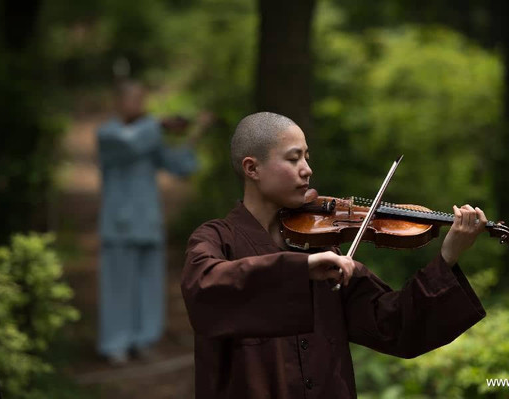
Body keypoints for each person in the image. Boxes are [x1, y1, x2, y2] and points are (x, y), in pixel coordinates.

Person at [181, 112, 487, 398]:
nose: (307, 169)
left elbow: (392, 324)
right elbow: (204, 288)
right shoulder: (216, 239)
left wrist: (446, 259)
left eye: (307, 157)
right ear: (252, 168)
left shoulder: (322, 248)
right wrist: (301, 269)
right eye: (293, 158)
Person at [97, 81, 203, 364]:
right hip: (119, 225)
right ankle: (115, 344)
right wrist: (162, 125)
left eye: (142, 100)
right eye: (134, 99)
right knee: (118, 286)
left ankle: (144, 340)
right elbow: (129, 144)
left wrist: (196, 133)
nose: (139, 106)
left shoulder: (149, 135)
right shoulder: (108, 134)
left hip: (148, 223)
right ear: (118, 102)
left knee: (149, 286)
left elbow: (181, 166)